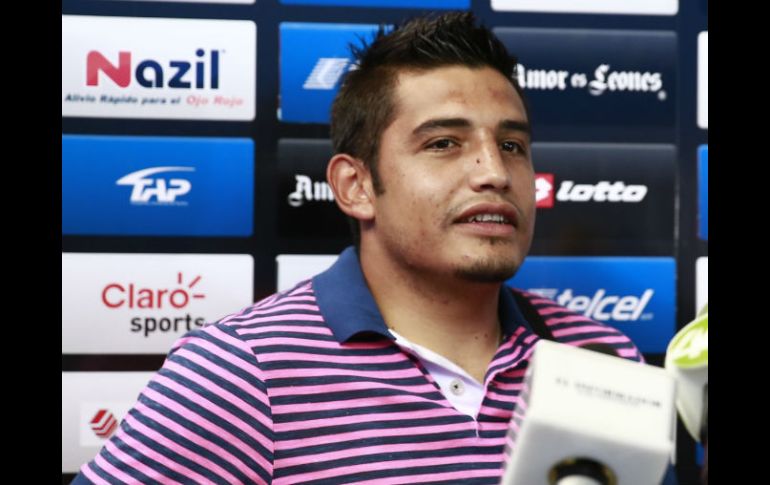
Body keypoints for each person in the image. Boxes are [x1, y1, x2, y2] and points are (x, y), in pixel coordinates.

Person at [74, 12, 642, 484]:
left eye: (512, 145)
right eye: (444, 143)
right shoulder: (243, 370)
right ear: (356, 186)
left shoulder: (600, 355)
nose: (494, 172)